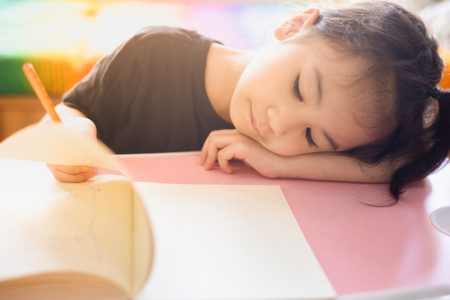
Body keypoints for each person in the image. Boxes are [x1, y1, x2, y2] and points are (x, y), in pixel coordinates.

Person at [43, 0, 450, 200]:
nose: (278, 123)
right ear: (293, 26)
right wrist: (75, 131)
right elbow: (70, 110)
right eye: (298, 88)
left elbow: (400, 168)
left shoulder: (288, 145)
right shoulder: (153, 54)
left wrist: (275, 164)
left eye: (311, 136)